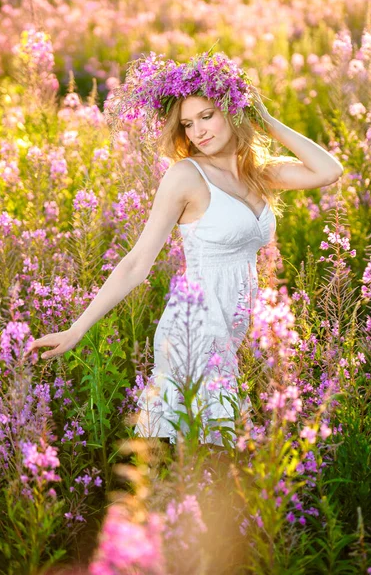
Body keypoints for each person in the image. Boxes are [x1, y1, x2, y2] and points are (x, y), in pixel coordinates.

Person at [23, 49, 343, 447]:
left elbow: (330, 171)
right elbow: (137, 262)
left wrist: (264, 117)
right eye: (188, 124)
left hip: (229, 332)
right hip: (193, 331)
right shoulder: (185, 176)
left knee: (207, 461)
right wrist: (76, 328)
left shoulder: (257, 173)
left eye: (207, 116)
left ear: (233, 111)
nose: (197, 132)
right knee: (209, 457)